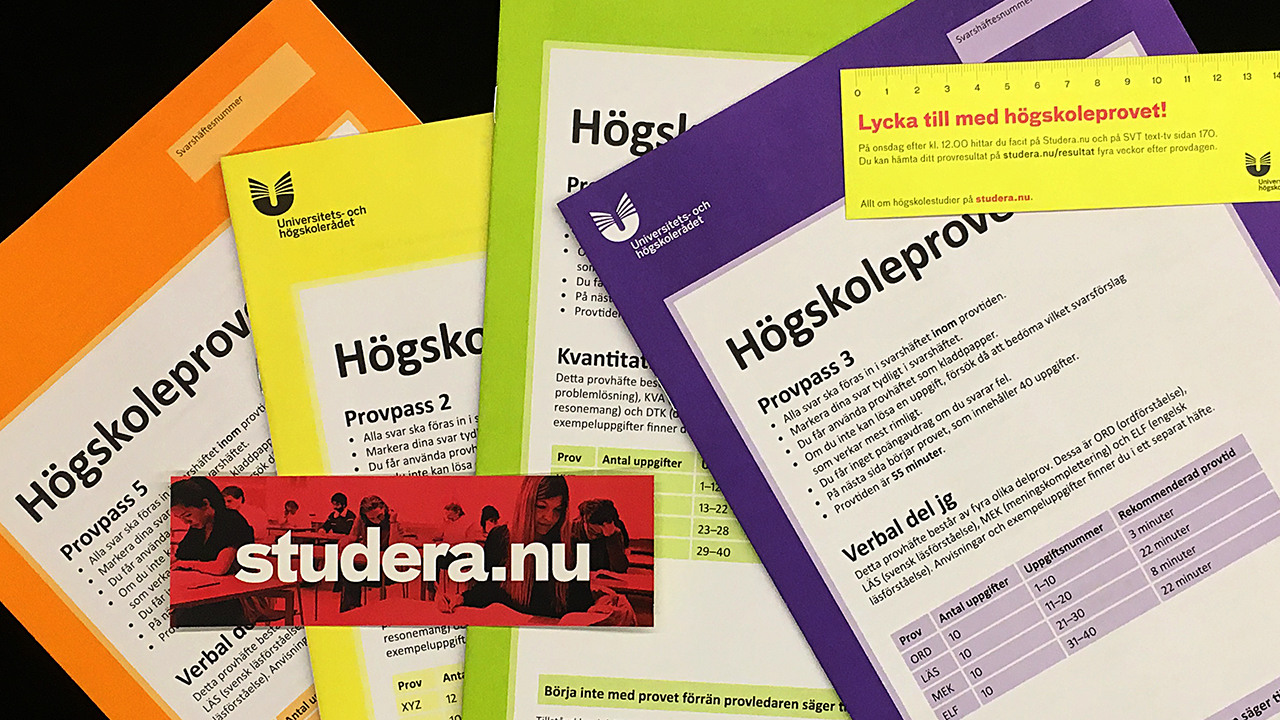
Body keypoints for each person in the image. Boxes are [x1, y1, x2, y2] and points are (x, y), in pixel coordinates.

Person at [441, 475, 592, 618]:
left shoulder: (573, 545)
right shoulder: (500, 537)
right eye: (541, 506)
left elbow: (582, 604)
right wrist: (460, 598)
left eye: (557, 510)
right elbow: (487, 589)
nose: (549, 517)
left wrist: (595, 608)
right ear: (525, 505)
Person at [171, 476, 254, 626]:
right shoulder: (198, 528)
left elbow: (220, 567)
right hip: (201, 594)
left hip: (232, 600)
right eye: (180, 518)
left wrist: (189, 564)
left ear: (205, 504)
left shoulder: (231, 521)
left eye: (188, 515)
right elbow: (181, 557)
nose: (185, 522)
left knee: (188, 617)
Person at [338, 495, 403, 612]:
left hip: (389, 568)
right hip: (371, 564)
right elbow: (353, 536)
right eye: (372, 518)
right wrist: (345, 540)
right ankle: (351, 611)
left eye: (379, 516)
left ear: (384, 509)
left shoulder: (394, 519)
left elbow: (395, 546)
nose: (377, 520)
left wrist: (393, 522)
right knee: (349, 572)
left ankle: (353, 609)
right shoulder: (361, 520)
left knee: (353, 574)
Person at [571, 498, 630, 573]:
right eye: (591, 531)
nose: (593, 536)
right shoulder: (573, 530)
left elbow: (620, 569)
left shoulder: (616, 530)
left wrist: (611, 537)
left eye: (599, 534)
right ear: (584, 521)